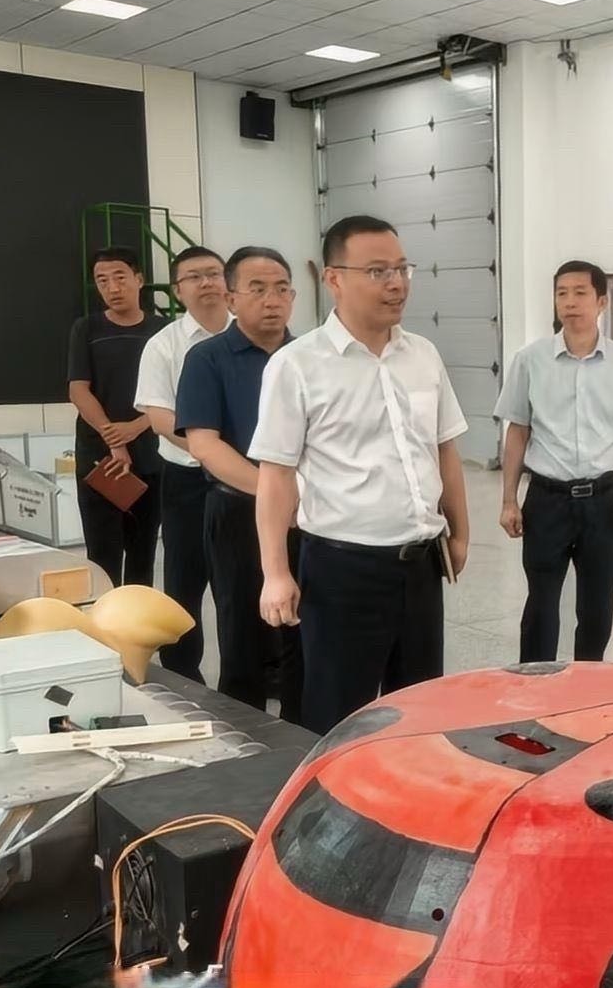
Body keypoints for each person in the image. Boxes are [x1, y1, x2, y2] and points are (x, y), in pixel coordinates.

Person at [249, 216, 470, 735]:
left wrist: (460, 532)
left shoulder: (423, 355)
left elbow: (444, 449)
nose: (396, 284)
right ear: (334, 279)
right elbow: (276, 476)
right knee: (338, 714)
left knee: (419, 711)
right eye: (377, 271)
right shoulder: (297, 365)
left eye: (402, 269)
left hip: (420, 567)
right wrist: (275, 572)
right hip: (341, 572)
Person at [496, 261, 613, 664]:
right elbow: (518, 431)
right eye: (561, 293)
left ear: (602, 301)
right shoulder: (530, 360)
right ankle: (536, 685)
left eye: (580, 293)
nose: (569, 302)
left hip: (604, 501)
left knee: (597, 611)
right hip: (546, 500)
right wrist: (509, 500)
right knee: (541, 607)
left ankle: (588, 687)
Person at [173, 247, 303, 720]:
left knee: (305, 636)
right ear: (231, 298)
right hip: (237, 512)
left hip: (310, 515)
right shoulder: (208, 359)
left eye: (282, 289)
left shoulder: (309, 357)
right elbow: (204, 445)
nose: (273, 300)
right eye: (258, 289)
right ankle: (248, 738)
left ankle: (307, 734)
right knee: (244, 633)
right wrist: (278, 496)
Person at [132, 245, 230, 682]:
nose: (206, 282)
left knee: (246, 578)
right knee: (185, 580)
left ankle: (257, 674)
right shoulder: (163, 345)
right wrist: (213, 452)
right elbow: (159, 418)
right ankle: (183, 673)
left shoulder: (251, 336)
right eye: (194, 276)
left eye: (214, 273)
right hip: (188, 479)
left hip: (247, 479)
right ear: (177, 290)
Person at [67, 247, 168, 587]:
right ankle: (103, 619)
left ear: (139, 279)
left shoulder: (163, 331)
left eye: (120, 277)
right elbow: (79, 391)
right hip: (100, 459)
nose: (112, 287)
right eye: (102, 280)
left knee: (143, 553)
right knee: (102, 555)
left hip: (151, 454)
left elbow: (174, 393)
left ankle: (138, 619)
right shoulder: (87, 328)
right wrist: (115, 440)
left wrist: (136, 428)